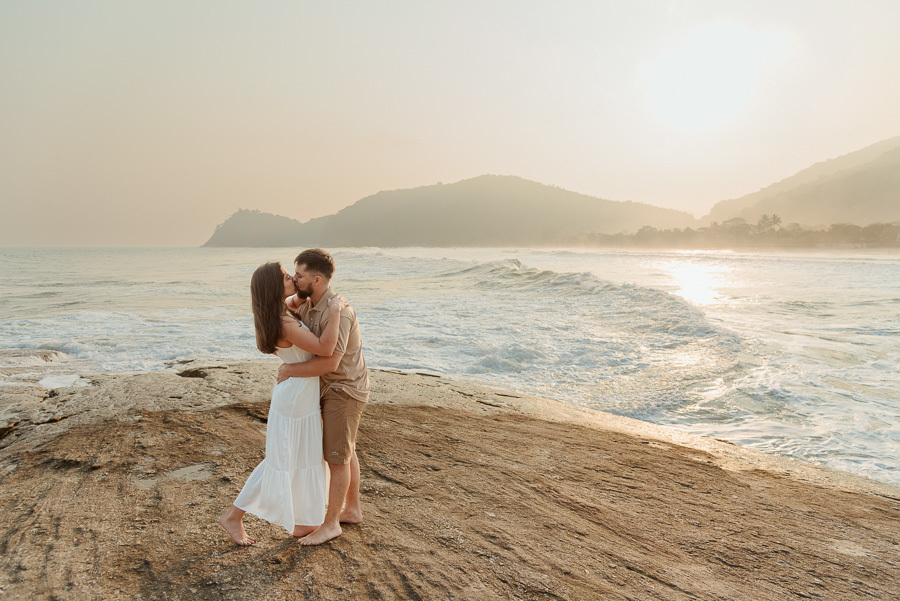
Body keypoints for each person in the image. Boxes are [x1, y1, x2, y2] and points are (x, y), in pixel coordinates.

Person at [219, 261, 346, 546]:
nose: (293, 278)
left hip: (298, 394)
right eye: (287, 277)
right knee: (281, 461)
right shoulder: (284, 322)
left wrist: (312, 289)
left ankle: (303, 521)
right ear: (273, 288)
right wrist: (336, 311)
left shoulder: (278, 311)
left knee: (301, 458)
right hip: (296, 399)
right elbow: (326, 348)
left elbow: (299, 298)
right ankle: (233, 516)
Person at [277, 248, 370, 546]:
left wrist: (289, 369)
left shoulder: (338, 311)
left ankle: (331, 525)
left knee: (337, 458)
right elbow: (277, 304)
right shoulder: (307, 303)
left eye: (299, 275)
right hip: (328, 387)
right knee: (345, 449)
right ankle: (352, 509)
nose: (294, 278)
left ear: (316, 280)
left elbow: (330, 362)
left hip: (343, 388)